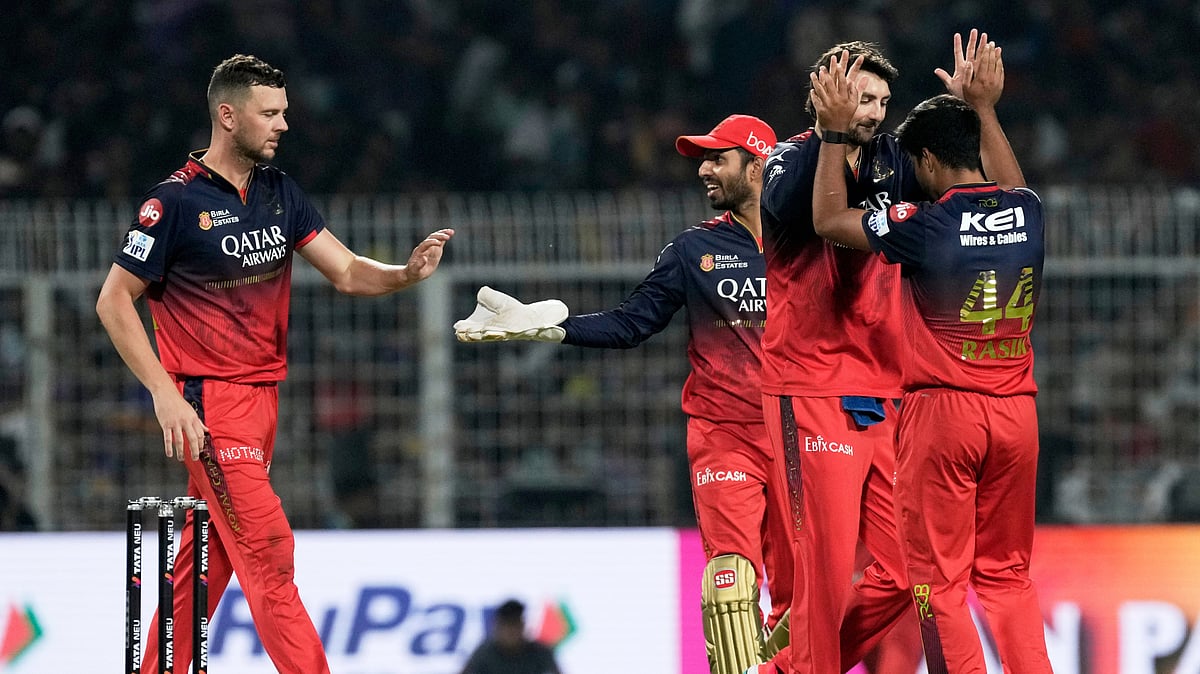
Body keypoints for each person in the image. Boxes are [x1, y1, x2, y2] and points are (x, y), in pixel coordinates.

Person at [95, 54, 453, 674]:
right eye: (270, 113)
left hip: (263, 403)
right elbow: (113, 299)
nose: (284, 124)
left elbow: (346, 270)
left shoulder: (279, 191)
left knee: (206, 561)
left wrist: (404, 274)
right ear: (228, 116)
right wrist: (164, 393)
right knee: (268, 551)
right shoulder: (172, 203)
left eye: (284, 111)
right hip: (208, 405)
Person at [454, 114, 793, 674]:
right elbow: (633, 322)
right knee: (730, 585)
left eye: (718, 159)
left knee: (802, 599)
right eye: (703, 160)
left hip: (803, 431)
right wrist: (554, 329)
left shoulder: (811, 239)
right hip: (725, 434)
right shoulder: (693, 249)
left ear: (758, 167)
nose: (704, 170)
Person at [752, 32, 1025, 674]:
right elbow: (808, 215)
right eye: (860, 97)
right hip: (810, 386)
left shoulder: (896, 160)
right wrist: (831, 136)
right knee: (823, 569)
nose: (873, 112)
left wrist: (977, 111)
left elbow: (991, 195)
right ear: (824, 94)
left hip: (884, 390)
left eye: (880, 101)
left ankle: (791, 667)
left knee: (910, 568)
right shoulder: (786, 163)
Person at [460, 599, 563, 674]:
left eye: (515, 625)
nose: (511, 632)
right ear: (497, 628)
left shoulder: (540, 653)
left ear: (522, 626)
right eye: (507, 626)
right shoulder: (485, 653)